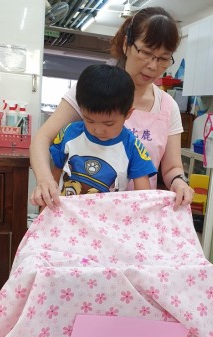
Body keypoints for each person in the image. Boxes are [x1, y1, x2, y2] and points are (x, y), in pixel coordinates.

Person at [30, 6, 194, 210]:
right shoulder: (93, 91)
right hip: (81, 213)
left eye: (163, 58)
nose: (153, 66)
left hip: (135, 215)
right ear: (127, 44)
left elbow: (172, 168)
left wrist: (179, 182)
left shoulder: (168, 106)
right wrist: (45, 180)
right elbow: (42, 138)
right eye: (146, 53)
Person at [50, 64, 157, 196]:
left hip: (110, 209)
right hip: (66, 207)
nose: (98, 130)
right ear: (81, 109)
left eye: (109, 124)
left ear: (128, 114)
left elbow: (143, 194)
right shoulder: (69, 133)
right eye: (90, 120)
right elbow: (56, 172)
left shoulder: (132, 147)